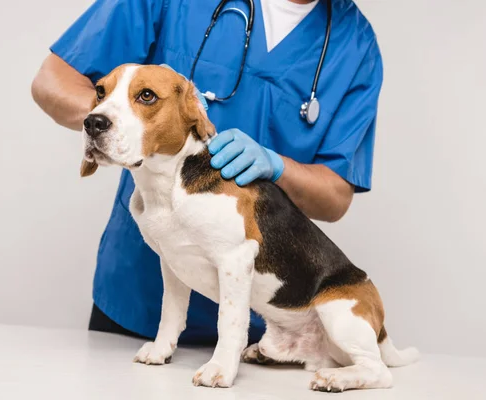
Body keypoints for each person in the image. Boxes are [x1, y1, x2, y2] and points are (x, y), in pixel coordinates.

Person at [31, 0, 383, 345]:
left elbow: (335, 195)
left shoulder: (355, 44)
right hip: (141, 301)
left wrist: (277, 165)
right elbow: (51, 81)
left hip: (263, 328)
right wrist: (121, 131)